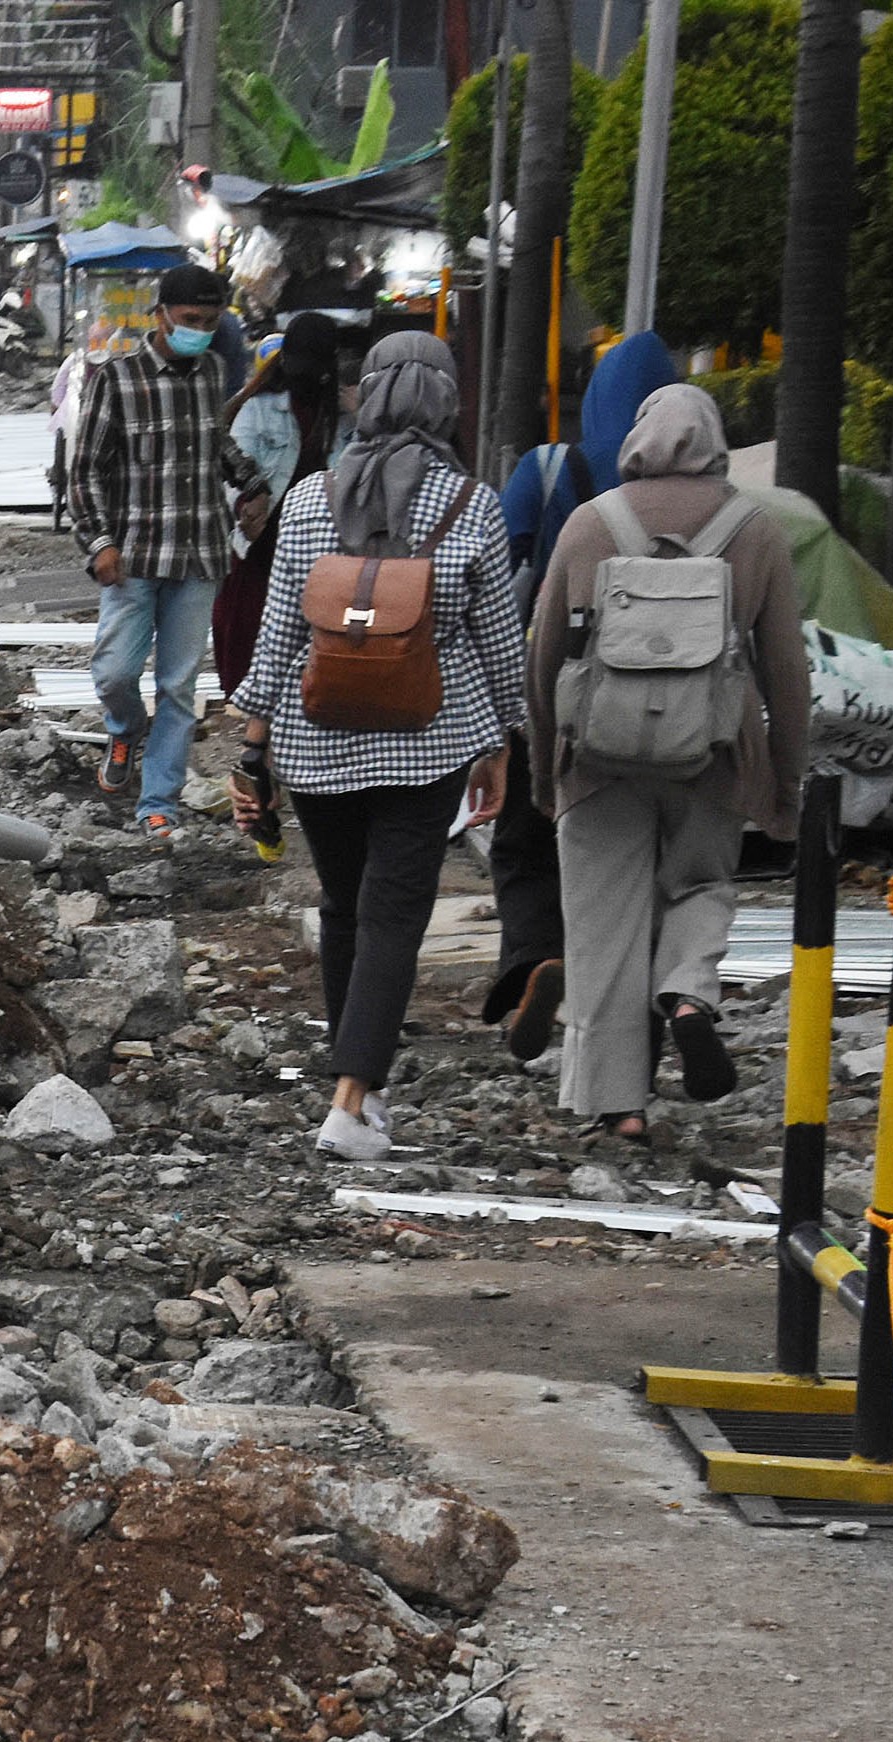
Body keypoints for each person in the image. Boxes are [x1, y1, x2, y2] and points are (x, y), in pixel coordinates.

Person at [231, 333, 522, 1160]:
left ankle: (362, 1095)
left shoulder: (313, 498)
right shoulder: (471, 504)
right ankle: (350, 1100)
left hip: (315, 736)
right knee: (393, 914)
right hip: (426, 740)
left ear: (369, 394)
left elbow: (280, 627)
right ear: (443, 401)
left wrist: (252, 745)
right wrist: (500, 739)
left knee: (342, 907)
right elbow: (499, 638)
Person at [526, 382, 812, 1142]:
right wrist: (783, 787)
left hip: (597, 754)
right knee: (702, 883)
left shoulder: (590, 524)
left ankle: (617, 1108)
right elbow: (786, 670)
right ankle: (687, 996)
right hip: (712, 754)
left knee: (601, 928)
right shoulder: (756, 527)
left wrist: (543, 765)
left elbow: (542, 652)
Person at [483, 329, 683, 1060]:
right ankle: (635, 1043)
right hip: (668, 711)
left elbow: (498, 579)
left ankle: (535, 955)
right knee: (637, 867)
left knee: (525, 846)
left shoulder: (546, 469)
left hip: (558, 696)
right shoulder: (712, 501)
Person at [68, 261, 270, 836]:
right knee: (114, 672)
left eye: (210, 321)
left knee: (179, 688)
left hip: (200, 553)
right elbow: (84, 472)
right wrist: (99, 542)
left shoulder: (212, 371)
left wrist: (249, 480)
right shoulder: (117, 378)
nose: (200, 330)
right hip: (133, 555)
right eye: (189, 319)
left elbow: (215, 440)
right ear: (160, 315)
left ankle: (159, 802)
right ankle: (124, 728)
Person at [210, 312, 350, 702]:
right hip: (263, 543)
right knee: (246, 634)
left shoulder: (342, 417)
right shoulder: (258, 408)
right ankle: (249, 713)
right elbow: (232, 468)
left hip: (320, 548)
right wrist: (244, 503)